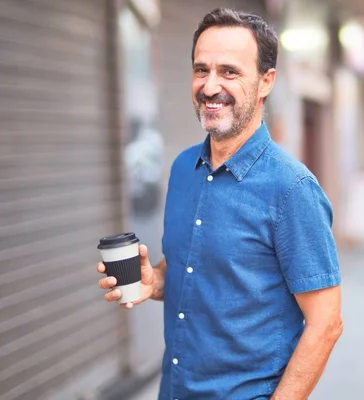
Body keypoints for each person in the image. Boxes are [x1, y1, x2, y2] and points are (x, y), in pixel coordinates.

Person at [97, 8, 342, 399]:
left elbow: (326, 323)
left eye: (229, 72)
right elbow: (199, 272)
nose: (210, 87)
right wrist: (155, 280)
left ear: (266, 82)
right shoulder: (182, 169)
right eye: (201, 70)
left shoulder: (292, 189)